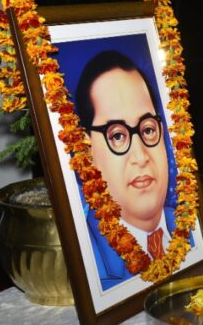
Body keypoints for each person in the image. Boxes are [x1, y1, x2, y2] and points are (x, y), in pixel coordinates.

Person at [75, 50, 177, 290]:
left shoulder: (190, 227)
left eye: (149, 130)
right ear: (86, 148)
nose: (140, 156)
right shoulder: (87, 257)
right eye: (118, 135)